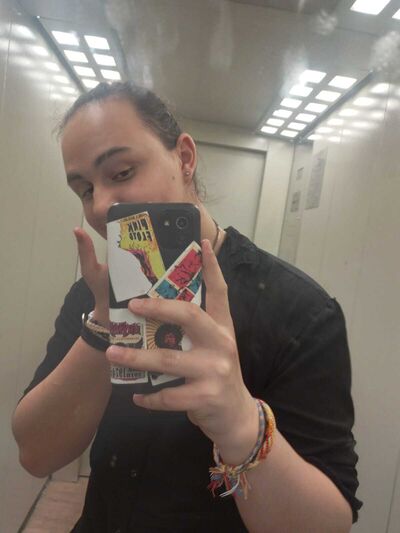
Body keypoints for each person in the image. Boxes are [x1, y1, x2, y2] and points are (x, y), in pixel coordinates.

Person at [12, 82, 362, 532]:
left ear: (184, 157)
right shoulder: (94, 294)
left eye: (121, 172)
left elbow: (327, 525)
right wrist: (102, 325)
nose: (99, 206)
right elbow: (36, 453)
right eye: (84, 189)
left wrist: (240, 421)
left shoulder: (299, 310)